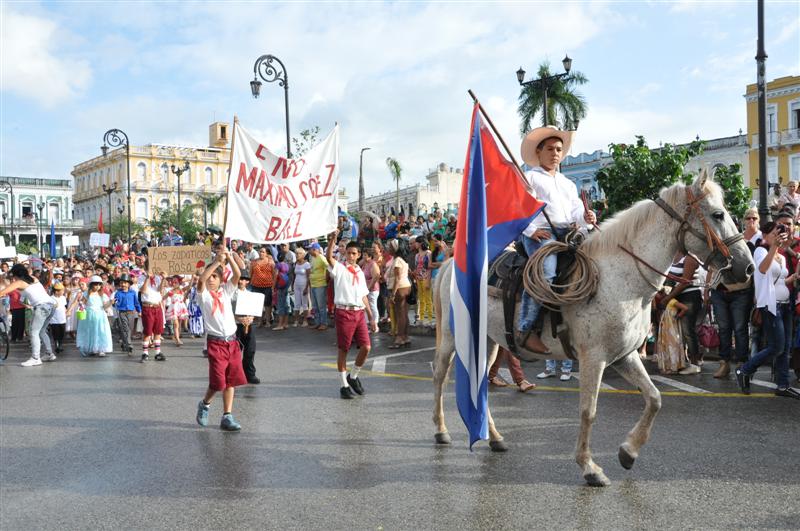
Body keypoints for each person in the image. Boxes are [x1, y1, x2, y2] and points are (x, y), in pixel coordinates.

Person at [516, 125, 596, 357]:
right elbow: (518, 208)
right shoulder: (529, 178)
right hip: (542, 233)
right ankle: (526, 329)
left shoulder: (568, 183)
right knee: (547, 272)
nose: (555, 153)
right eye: (549, 149)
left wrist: (586, 217)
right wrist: (531, 230)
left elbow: (575, 213)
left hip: (567, 232)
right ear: (538, 153)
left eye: (559, 149)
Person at [736, 222, 800, 399]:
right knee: (776, 346)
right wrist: (774, 247)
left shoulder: (781, 256)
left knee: (785, 347)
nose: (778, 237)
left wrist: (793, 277)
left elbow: (779, 282)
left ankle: (783, 385)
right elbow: (763, 269)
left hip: (785, 305)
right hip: (771, 306)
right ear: (765, 235)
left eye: (780, 234)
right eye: (774, 233)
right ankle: (744, 370)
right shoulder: (761, 251)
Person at [195, 248, 247, 430]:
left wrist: (230, 256)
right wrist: (217, 262)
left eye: (215, 277)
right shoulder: (203, 296)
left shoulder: (226, 291)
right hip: (216, 343)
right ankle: (205, 404)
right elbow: (201, 280)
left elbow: (238, 274)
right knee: (218, 382)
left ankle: (227, 415)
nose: (211, 280)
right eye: (210, 277)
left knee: (231, 379)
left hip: (231, 341)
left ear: (221, 280)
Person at [325, 230, 377, 399]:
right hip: (343, 312)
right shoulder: (339, 268)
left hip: (359, 313)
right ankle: (343, 385)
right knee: (343, 349)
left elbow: (363, 295)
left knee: (366, 347)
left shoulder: (360, 272)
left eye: (353, 253)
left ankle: (353, 376)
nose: (350, 256)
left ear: (358, 255)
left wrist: (371, 317)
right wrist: (333, 239)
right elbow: (329, 258)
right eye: (348, 253)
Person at [0, 264, 56, 366]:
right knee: (41, 331)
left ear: (16, 275)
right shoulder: (33, 278)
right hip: (51, 306)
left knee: (33, 332)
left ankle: (35, 358)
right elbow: (23, 291)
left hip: (42, 307)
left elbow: (2, 292)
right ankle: (49, 354)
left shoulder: (19, 282)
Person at [659, 253, 705, 375]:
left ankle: (695, 363)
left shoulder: (690, 257)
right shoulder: (672, 257)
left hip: (690, 297)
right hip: (677, 297)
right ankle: (682, 361)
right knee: (678, 332)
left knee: (688, 331)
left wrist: (668, 297)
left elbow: (685, 281)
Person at [76, 275, 114, 357]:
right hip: (89, 315)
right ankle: (92, 348)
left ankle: (101, 349)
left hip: (100, 315)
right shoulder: (87, 293)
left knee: (100, 331)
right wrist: (81, 303)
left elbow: (104, 306)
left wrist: (110, 302)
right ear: (91, 285)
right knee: (90, 331)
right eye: (95, 284)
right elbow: (83, 303)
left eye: (99, 284)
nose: (97, 286)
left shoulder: (102, 295)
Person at [232, 271, 259, 384]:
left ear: (247, 281)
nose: (241, 281)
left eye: (244, 279)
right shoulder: (232, 294)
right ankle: (234, 374)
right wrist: (238, 318)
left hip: (249, 324)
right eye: (240, 279)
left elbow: (255, 309)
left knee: (250, 350)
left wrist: (251, 317)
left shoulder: (250, 294)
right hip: (236, 324)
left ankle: (249, 374)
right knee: (236, 352)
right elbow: (228, 310)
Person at [654, 288, 689, 374]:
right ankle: (669, 366)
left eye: (659, 293)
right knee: (667, 346)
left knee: (673, 345)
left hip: (672, 328)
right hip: (667, 328)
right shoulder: (667, 303)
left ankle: (674, 366)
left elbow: (685, 308)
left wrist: (677, 316)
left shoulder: (672, 301)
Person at [386, 239, 412, 349]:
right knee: (404, 313)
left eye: (390, 246)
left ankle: (400, 337)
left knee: (399, 314)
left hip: (400, 288)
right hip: (406, 287)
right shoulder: (402, 260)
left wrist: (393, 294)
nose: (388, 248)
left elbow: (397, 278)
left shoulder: (397, 261)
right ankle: (405, 336)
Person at [139, 270, 166, 362]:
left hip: (157, 306)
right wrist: (147, 277)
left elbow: (160, 290)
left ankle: (157, 352)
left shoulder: (158, 277)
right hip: (148, 307)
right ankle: (145, 353)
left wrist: (163, 279)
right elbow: (143, 290)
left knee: (158, 331)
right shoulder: (141, 277)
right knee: (147, 331)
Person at [113, 274, 140, 354]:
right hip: (122, 313)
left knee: (130, 329)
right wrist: (115, 303)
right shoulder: (118, 293)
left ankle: (124, 343)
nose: (123, 284)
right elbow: (116, 302)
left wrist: (139, 311)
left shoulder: (133, 292)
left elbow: (136, 303)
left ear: (129, 284)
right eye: (121, 283)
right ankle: (129, 344)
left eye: (125, 283)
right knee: (125, 328)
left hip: (131, 313)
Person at [250, 247, 275, 328]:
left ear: (266, 253)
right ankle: (259, 322)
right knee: (258, 305)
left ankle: (268, 321)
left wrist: (273, 286)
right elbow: (251, 273)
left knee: (267, 305)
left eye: (263, 252)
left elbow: (274, 274)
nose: (261, 253)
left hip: (267, 286)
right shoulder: (254, 262)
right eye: (260, 251)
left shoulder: (270, 262)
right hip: (256, 285)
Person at [412, 236, 434, 326]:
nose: (415, 244)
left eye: (416, 242)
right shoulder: (417, 255)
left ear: (420, 243)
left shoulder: (428, 253)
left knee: (428, 299)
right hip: (418, 278)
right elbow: (417, 267)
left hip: (426, 278)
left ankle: (429, 318)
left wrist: (428, 279)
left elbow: (430, 267)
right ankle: (421, 318)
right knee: (421, 299)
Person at [308, 242, 329, 330]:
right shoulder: (312, 258)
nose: (309, 251)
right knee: (315, 306)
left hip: (320, 284)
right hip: (313, 284)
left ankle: (324, 323)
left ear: (315, 250)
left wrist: (326, 279)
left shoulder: (321, 258)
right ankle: (317, 323)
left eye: (310, 249)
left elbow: (328, 268)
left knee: (321, 306)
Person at [165, 275, 189, 346]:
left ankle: (177, 336)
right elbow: (163, 297)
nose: (174, 284)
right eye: (173, 282)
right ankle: (177, 339)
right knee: (176, 324)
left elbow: (189, 286)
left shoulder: (181, 290)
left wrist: (192, 277)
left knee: (179, 324)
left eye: (175, 282)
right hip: (174, 308)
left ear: (179, 283)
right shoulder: (170, 291)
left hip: (181, 307)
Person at [292, 248, 312, 327]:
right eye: (296, 253)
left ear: (303, 255)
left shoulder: (307, 264)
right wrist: (293, 285)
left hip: (304, 285)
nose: (297, 255)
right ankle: (296, 321)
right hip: (296, 285)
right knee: (296, 303)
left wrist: (306, 288)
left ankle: (305, 321)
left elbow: (308, 277)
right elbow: (294, 275)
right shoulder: (295, 263)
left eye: (299, 253)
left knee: (304, 304)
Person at [273, 257, 291, 331]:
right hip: (286, 285)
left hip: (280, 286)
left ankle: (280, 324)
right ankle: (285, 323)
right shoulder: (287, 265)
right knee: (286, 305)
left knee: (280, 305)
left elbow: (275, 275)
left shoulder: (278, 265)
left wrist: (273, 286)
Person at [49, 283, 67, 355]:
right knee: (55, 333)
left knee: (62, 333)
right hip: (54, 320)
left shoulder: (63, 298)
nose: (63, 292)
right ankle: (56, 345)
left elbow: (64, 306)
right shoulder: (51, 298)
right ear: (56, 291)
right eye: (62, 291)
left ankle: (60, 344)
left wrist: (66, 311)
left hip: (62, 319)